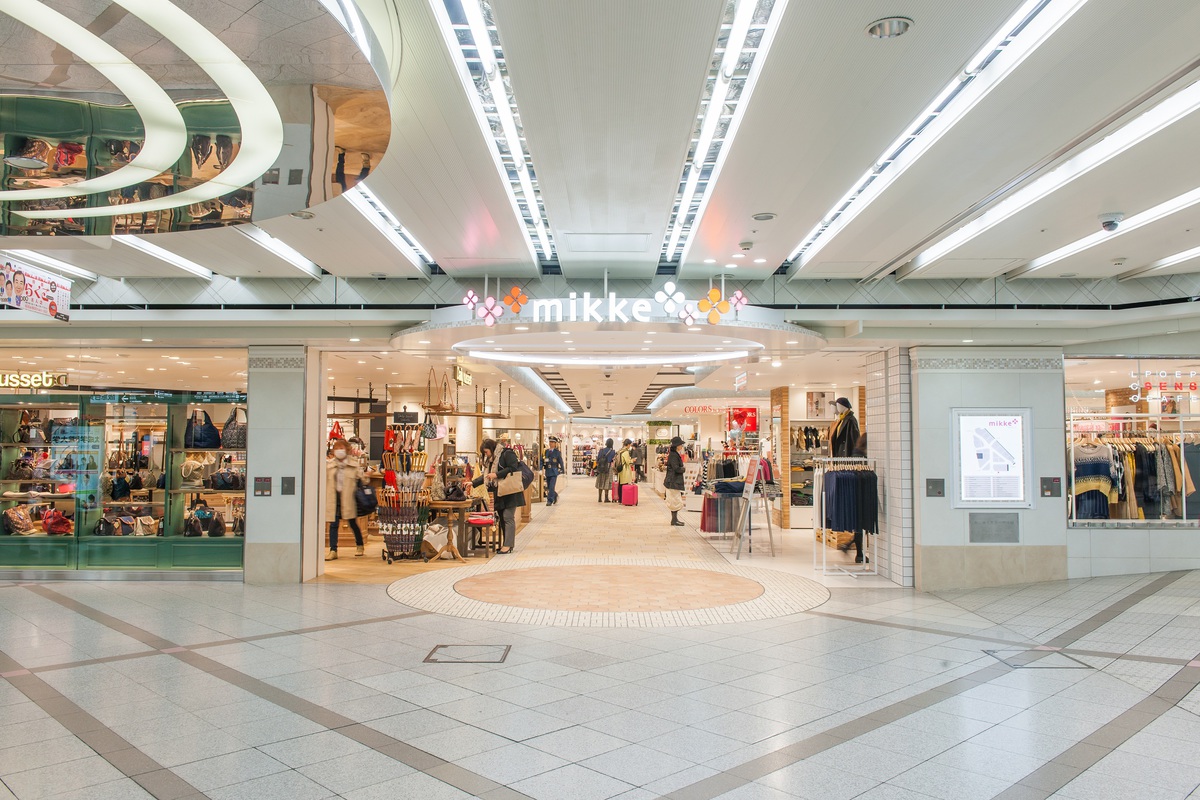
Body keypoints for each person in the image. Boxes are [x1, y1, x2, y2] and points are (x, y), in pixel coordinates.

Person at [473, 433, 521, 553]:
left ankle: (508, 545)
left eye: (486, 451)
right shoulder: (491, 460)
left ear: (492, 448)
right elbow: (486, 476)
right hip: (499, 493)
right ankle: (507, 544)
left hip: (510, 491)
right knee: (502, 518)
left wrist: (497, 474)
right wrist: (472, 483)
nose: (486, 454)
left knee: (508, 517)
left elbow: (513, 468)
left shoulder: (506, 453)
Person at [325, 438, 366, 560]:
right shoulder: (330, 465)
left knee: (352, 523)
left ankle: (359, 545)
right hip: (334, 498)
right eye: (336, 448)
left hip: (349, 498)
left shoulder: (353, 464)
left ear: (347, 449)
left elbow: (362, 479)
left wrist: (366, 477)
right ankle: (333, 550)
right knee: (334, 524)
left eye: (341, 448)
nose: (339, 451)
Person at [664, 436, 687, 527]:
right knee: (675, 500)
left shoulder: (674, 454)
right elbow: (676, 468)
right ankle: (674, 520)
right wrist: (683, 469)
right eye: (680, 444)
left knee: (675, 500)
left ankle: (675, 519)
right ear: (677, 445)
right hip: (673, 481)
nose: (681, 446)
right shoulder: (673, 455)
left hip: (673, 481)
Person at [542, 436, 564, 506]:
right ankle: (555, 495)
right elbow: (542, 460)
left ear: (555, 444)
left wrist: (563, 470)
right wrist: (540, 468)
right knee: (549, 487)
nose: (551, 444)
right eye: (550, 442)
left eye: (552, 442)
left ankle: (549, 500)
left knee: (551, 486)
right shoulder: (546, 451)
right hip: (548, 471)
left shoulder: (557, 452)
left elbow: (560, 461)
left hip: (554, 471)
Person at [614, 439, 634, 505]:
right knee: (624, 484)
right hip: (625, 469)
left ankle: (620, 499)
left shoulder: (620, 450)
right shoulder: (625, 452)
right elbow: (628, 462)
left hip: (620, 469)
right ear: (628, 444)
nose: (630, 446)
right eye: (630, 445)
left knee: (620, 484)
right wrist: (632, 460)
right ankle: (623, 499)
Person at [595, 437, 614, 503]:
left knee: (600, 481)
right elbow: (612, 460)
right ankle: (606, 498)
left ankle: (599, 498)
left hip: (601, 467)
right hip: (608, 468)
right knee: (607, 482)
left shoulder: (601, 450)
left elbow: (597, 460)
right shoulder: (612, 451)